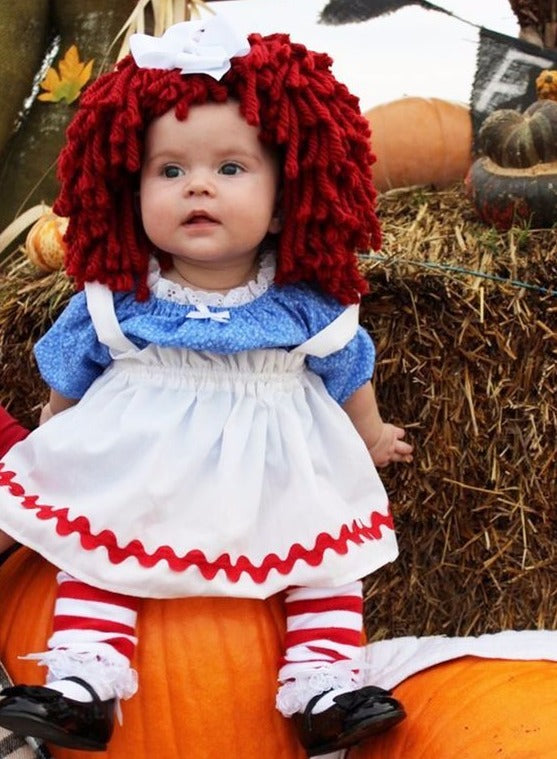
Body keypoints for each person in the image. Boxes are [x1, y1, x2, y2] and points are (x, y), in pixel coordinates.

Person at [0, 16, 413, 757]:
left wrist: (371, 434)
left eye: (230, 168)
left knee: (320, 562)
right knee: (99, 548)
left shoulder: (304, 299)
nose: (198, 185)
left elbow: (348, 365)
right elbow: (70, 367)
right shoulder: (116, 294)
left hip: (276, 464)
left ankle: (324, 681)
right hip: (142, 459)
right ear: (131, 192)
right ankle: (81, 683)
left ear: (288, 197)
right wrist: (59, 423)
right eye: (169, 170)